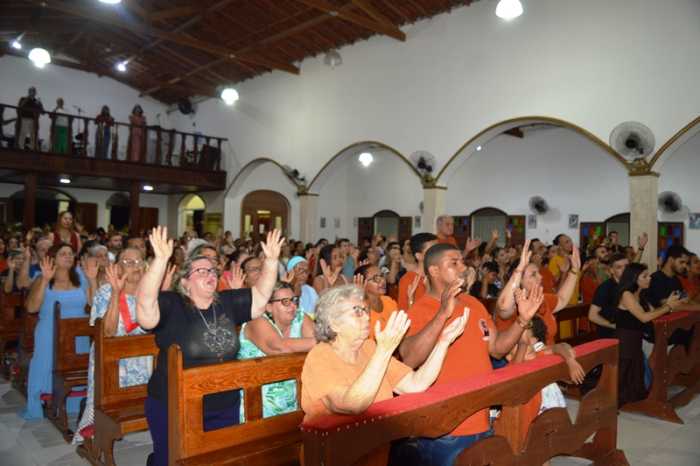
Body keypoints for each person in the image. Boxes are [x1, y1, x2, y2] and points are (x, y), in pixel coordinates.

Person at [135, 227, 283, 466]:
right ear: (185, 281)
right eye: (201, 271)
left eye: (212, 270)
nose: (210, 274)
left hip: (224, 402)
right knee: (171, 460)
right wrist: (160, 260)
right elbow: (144, 308)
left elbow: (260, 298)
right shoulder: (172, 304)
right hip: (176, 404)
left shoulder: (226, 302)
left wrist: (272, 261)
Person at [398, 243, 542, 465]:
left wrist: (522, 321)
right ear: (434, 271)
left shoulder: (472, 303)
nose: (463, 267)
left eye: (462, 262)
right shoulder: (421, 309)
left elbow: (497, 349)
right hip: (444, 428)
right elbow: (409, 358)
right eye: (454, 263)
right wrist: (442, 314)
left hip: (482, 418)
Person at [301, 284, 467, 466]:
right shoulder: (320, 356)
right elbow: (353, 405)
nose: (367, 316)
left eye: (365, 310)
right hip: (335, 456)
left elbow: (415, 384)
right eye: (357, 311)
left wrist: (443, 343)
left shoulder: (369, 347)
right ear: (334, 323)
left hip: (375, 453)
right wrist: (384, 351)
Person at [73, 248, 152, 443]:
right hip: (112, 364)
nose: (134, 266)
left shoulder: (150, 293)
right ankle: (96, 428)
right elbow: (107, 332)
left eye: (138, 262)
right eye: (128, 262)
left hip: (143, 361)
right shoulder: (106, 292)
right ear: (117, 268)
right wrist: (116, 293)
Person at [21, 243, 96, 419]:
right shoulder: (42, 278)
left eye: (70, 253)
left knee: (75, 368)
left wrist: (92, 280)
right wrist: (45, 280)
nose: (68, 256)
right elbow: (31, 307)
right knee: (45, 365)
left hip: (77, 335)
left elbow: (95, 304)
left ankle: (74, 403)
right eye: (63, 254)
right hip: (49, 333)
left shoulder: (81, 278)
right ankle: (43, 399)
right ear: (52, 258)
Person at [237, 282, 315, 419]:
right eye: (285, 302)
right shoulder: (255, 321)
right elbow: (279, 348)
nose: (293, 306)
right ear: (268, 306)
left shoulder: (300, 317)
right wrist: (325, 340)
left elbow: (320, 351)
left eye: (294, 300)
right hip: (256, 406)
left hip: (296, 402)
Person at [615, 263, 683, 406]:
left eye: (649, 275)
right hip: (625, 340)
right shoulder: (626, 294)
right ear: (634, 278)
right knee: (624, 374)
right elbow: (644, 317)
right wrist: (668, 307)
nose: (649, 278)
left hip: (636, 339)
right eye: (645, 276)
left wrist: (669, 304)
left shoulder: (642, 294)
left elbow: (654, 314)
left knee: (637, 380)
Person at [496, 240, 580, 344]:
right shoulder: (511, 306)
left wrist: (574, 271)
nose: (540, 277)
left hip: (549, 353)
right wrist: (519, 270)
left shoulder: (541, 298)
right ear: (519, 281)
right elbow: (503, 308)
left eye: (538, 273)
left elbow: (562, 300)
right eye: (533, 274)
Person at [587, 253, 628, 338]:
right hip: (610, 334)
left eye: (626, 266)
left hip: (628, 331)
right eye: (619, 267)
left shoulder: (631, 285)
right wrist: (614, 326)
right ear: (611, 270)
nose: (624, 270)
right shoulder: (605, 288)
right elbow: (592, 315)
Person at [354, 264, 397, 338]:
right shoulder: (358, 309)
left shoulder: (389, 301)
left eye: (382, 276)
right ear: (362, 283)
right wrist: (360, 298)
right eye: (376, 278)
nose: (383, 281)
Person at [397, 233, 437, 311]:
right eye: (432, 251)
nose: (439, 253)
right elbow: (404, 312)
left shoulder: (441, 275)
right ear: (419, 256)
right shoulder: (408, 280)